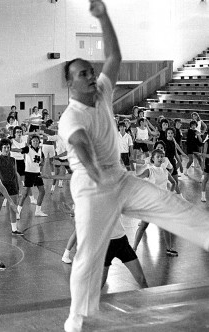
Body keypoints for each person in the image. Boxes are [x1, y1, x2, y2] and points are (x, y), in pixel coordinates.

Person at [58, 2, 209, 331]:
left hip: (121, 180)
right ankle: (76, 318)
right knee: (88, 255)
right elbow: (81, 143)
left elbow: (114, 58)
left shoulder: (102, 91)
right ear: (70, 83)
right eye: (82, 74)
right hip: (92, 190)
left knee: (172, 204)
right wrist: (96, 172)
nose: (90, 76)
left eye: (89, 71)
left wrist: (103, 16)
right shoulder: (71, 116)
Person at [132, 149, 178, 256]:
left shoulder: (165, 171)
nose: (160, 158)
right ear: (153, 158)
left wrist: (169, 194)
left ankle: (169, 249)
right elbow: (138, 178)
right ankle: (133, 249)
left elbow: (174, 183)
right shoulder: (150, 170)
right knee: (143, 226)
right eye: (158, 156)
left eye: (162, 156)